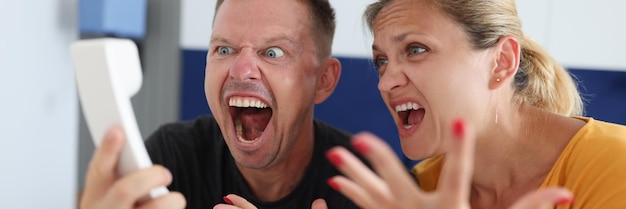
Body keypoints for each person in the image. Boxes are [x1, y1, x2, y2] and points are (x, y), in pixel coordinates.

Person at [324, 0, 626, 208]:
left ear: (501, 63)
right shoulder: (418, 192)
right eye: (381, 61)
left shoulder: (615, 164)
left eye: (415, 49)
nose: (385, 82)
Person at [79, 0, 363, 208]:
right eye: (224, 49)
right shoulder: (173, 156)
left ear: (323, 80)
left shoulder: (366, 187)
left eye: (274, 52)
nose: (240, 69)